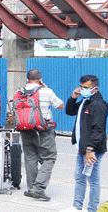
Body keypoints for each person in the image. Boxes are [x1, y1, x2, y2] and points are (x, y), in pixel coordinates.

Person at [20, 69, 64, 201]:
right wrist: (46, 88)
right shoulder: (46, 91)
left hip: (26, 129)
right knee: (49, 157)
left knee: (30, 158)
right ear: (40, 80)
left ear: (27, 80)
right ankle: (38, 189)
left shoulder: (20, 91)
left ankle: (32, 188)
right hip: (43, 130)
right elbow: (60, 105)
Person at [65, 74, 107, 212]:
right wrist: (73, 98)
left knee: (93, 180)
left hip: (92, 149)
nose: (82, 90)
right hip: (82, 147)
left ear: (95, 89)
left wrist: (90, 149)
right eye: (81, 87)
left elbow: (98, 130)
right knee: (79, 178)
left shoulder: (97, 105)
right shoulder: (85, 101)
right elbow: (70, 111)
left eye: (86, 88)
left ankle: (92, 209)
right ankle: (77, 206)